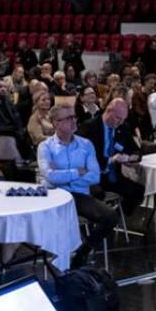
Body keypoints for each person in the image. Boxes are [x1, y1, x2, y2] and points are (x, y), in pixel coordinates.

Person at [37, 104, 116, 269]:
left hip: (79, 195)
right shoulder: (45, 147)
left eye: (74, 117)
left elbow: (94, 176)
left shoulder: (86, 145)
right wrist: (77, 172)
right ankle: (64, 257)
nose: (73, 121)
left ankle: (83, 250)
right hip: (56, 196)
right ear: (55, 123)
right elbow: (49, 175)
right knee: (64, 220)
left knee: (110, 216)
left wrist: (64, 175)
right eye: (67, 118)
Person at [77, 98, 145, 216]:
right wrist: (111, 160)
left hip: (113, 176)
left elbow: (135, 150)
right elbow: (84, 159)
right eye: (118, 118)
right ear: (108, 111)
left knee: (139, 191)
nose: (120, 122)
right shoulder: (89, 127)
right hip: (94, 177)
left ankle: (116, 217)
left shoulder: (122, 127)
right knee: (98, 196)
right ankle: (104, 220)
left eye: (123, 119)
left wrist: (131, 158)